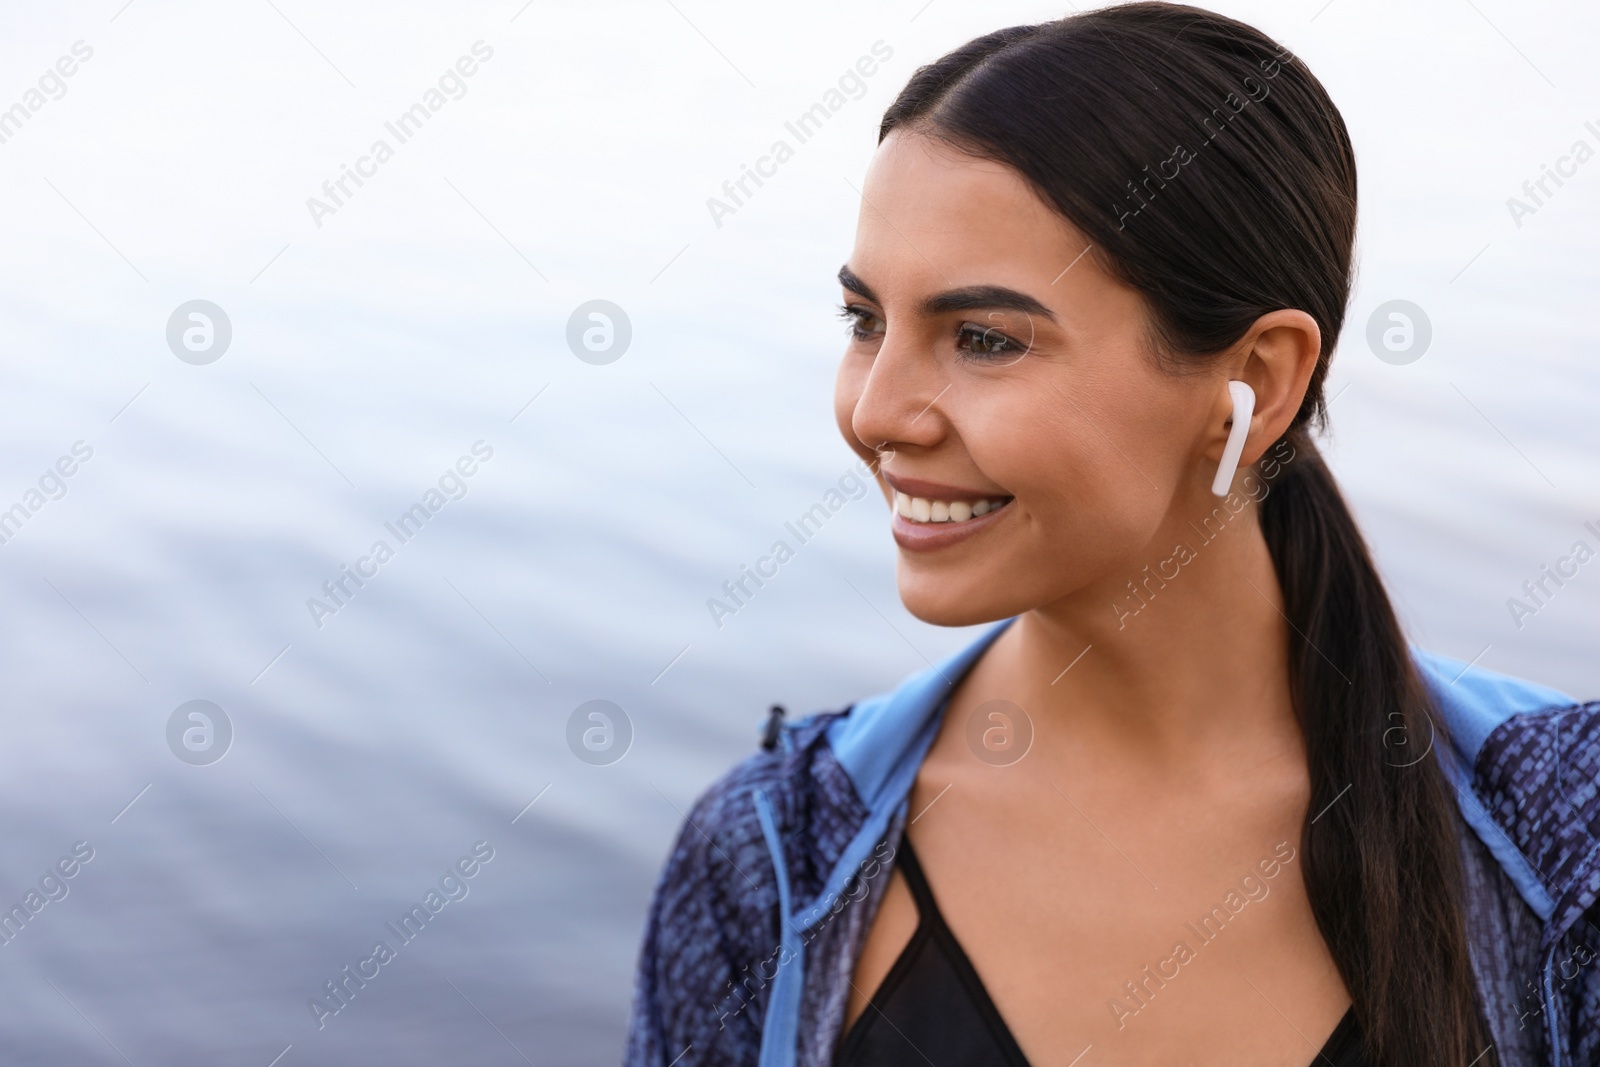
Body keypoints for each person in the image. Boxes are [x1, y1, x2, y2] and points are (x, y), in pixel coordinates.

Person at [624, 4, 1600, 1065]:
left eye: (983, 337)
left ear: (1256, 382)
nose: (876, 411)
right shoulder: (768, 861)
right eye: (865, 321)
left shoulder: (1569, 842)